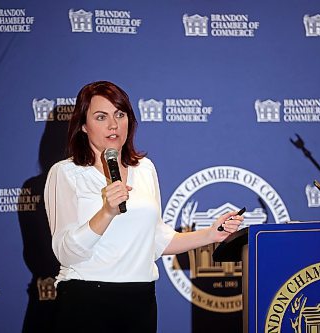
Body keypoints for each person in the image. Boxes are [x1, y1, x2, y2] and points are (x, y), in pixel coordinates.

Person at [44, 81, 243, 332]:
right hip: (86, 298)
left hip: (140, 300)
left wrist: (211, 234)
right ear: (83, 125)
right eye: (101, 117)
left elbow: (156, 240)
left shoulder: (144, 168)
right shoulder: (66, 173)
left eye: (120, 114)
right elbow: (66, 252)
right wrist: (107, 212)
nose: (113, 125)